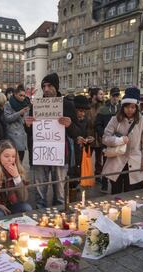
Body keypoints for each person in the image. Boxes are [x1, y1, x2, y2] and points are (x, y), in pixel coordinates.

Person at [30, 73, 81, 208]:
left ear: (56, 87)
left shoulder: (67, 105)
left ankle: (58, 219)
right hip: (40, 154)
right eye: (43, 86)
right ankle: (41, 218)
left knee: (60, 195)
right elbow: (30, 132)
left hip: (59, 155)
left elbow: (77, 132)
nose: (46, 89)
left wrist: (70, 125)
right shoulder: (36, 105)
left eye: (49, 86)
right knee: (39, 194)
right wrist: (27, 125)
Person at [102, 87, 143, 194]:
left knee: (132, 193)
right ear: (123, 107)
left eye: (133, 107)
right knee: (116, 192)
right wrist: (119, 140)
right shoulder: (115, 119)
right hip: (117, 160)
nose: (130, 110)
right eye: (127, 107)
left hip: (135, 161)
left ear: (137, 107)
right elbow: (105, 138)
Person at [95, 87, 121, 192]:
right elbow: (98, 124)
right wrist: (104, 135)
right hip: (106, 141)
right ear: (110, 96)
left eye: (117, 96)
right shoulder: (103, 109)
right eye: (114, 95)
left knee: (118, 163)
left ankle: (115, 184)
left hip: (119, 141)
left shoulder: (121, 108)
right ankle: (104, 185)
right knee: (106, 163)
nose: (115, 98)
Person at [70, 95, 94, 188]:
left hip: (80, 153)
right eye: (80, 111)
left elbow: (86, 134)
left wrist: (89, 139)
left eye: (84, 112)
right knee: (70, 176)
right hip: (71, 154)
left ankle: (75, 190)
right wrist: (76, 139)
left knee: (78, 175)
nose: (83, 114)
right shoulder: (69, 121)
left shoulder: (85, 121)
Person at [4, 84, 30, 162]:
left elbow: (25, 119)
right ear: (15, 94)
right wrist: (19, 112)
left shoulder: (25, 104)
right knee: (13, 162)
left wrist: (27, 122)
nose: (22, 97)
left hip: (22, 136)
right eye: (20, 95)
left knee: (20, 161)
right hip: (13, 136)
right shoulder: (8, 104)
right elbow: (7, 118)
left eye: (24, 96)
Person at [87, 88, 104, 185]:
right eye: (100, 94)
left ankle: (98, 176)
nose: (102, 96)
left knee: (99, 159)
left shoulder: (103, 107)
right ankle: (86, 175)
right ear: (94, 96)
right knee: (87, 158)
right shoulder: (88, 107)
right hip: (90, 136)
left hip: (100, 137)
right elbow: (87, 121)